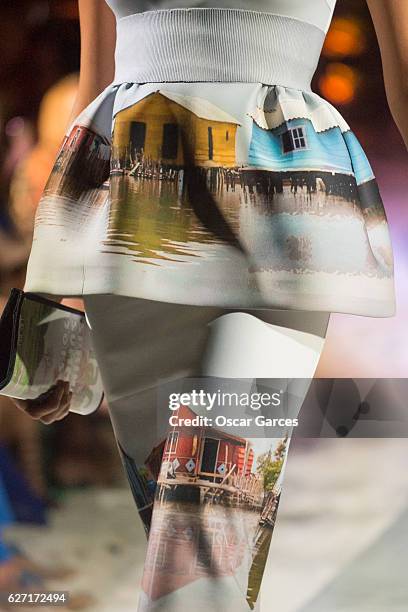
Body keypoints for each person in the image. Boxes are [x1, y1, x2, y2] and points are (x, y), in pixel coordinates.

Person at [11, 1, 407, 610]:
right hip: (128, 232)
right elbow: (96, 87)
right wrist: (58, 294)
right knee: (195, 561)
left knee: (200, 555)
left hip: (278, 228)